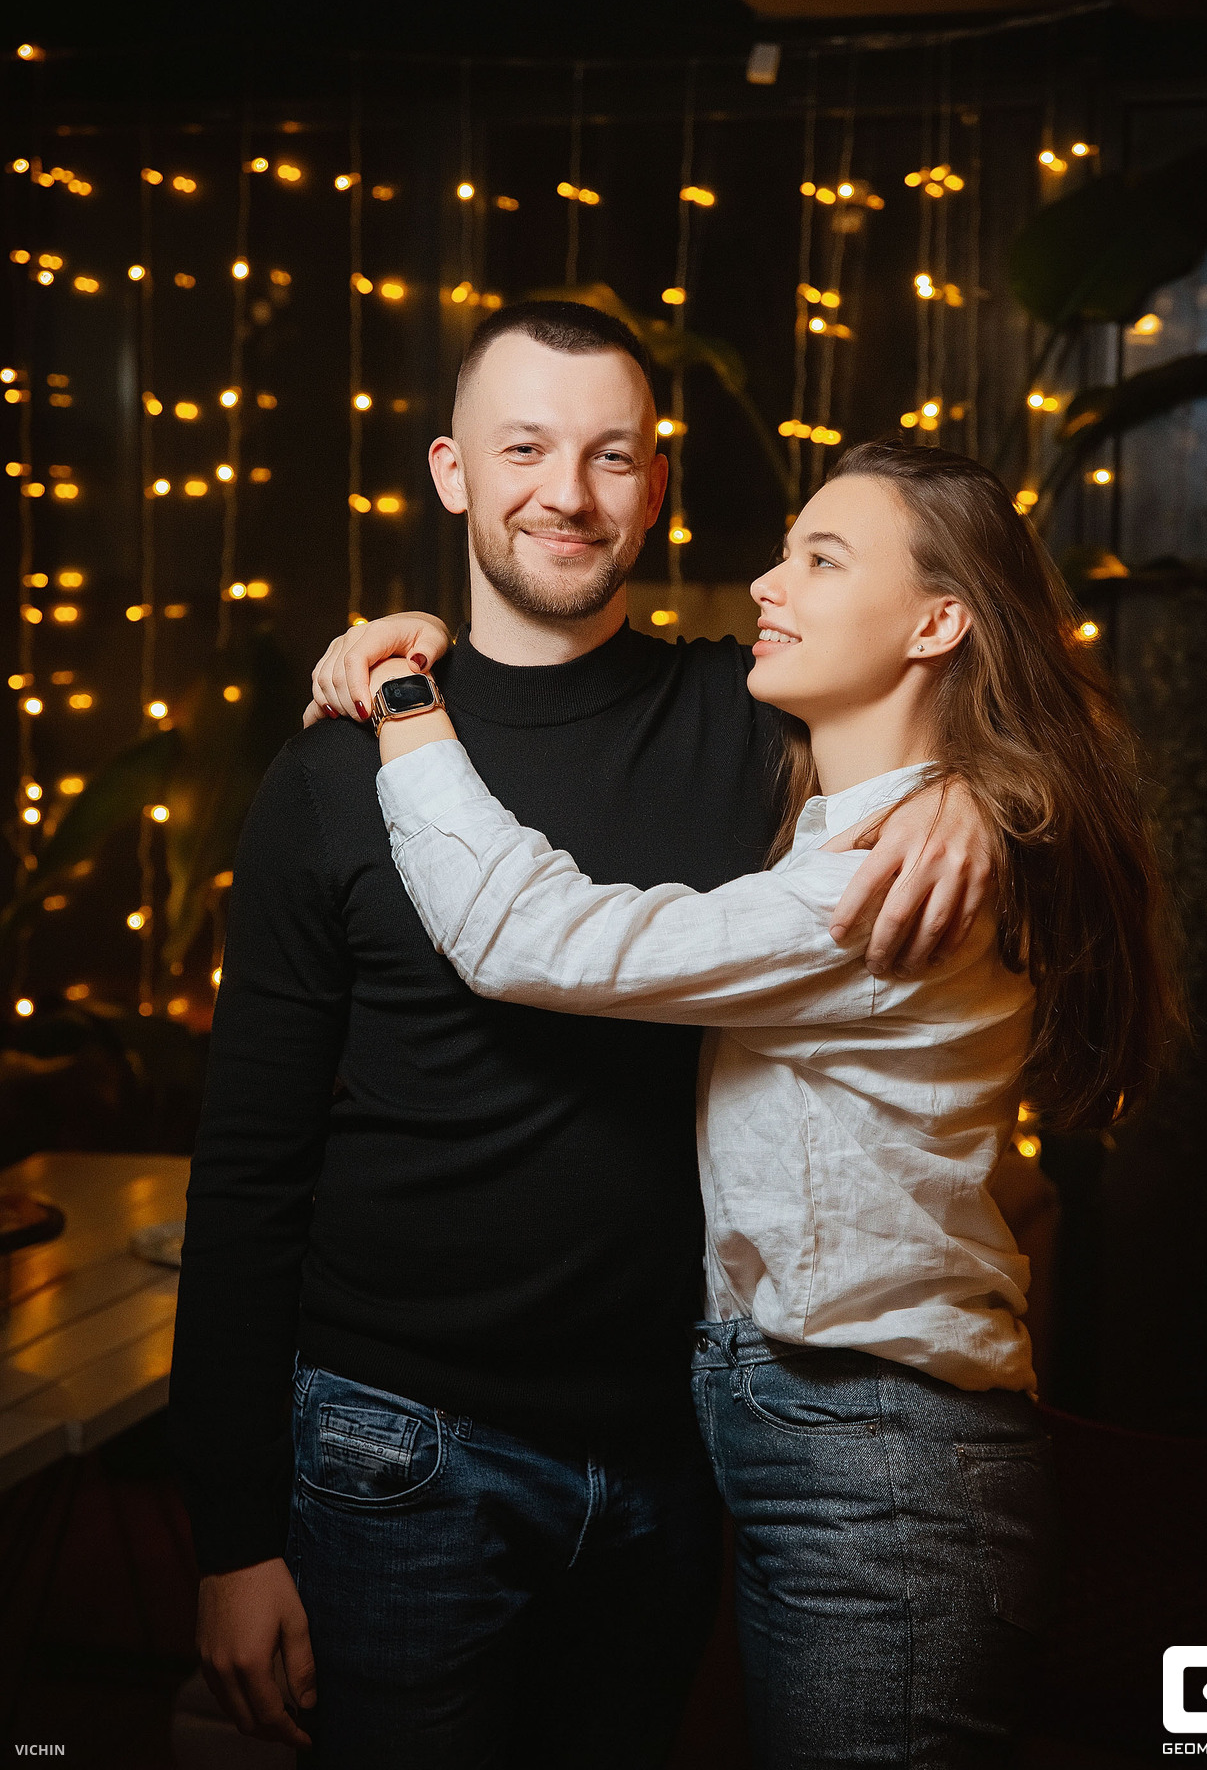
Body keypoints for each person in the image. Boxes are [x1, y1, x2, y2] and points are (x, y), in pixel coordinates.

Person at [171, 303, 994, 1767]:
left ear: (656, 486)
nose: (567, 493)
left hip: (676, 1453)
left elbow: (964, 705)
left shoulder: (760, 723)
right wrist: (229, 1536)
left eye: (611, 455)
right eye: (525, 450)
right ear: (451, 473)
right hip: (391, 1440)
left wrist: (980, 796)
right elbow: (247, 1165)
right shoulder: (338, 769)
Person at [346, 439, 1184, 1767]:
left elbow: (526, 936)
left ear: (937, 624)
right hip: (833, 1440)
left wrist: (404, 701)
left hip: (881, 1453)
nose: (765, 583)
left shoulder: (881, 881)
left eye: (822, 558)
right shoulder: (859, 832)